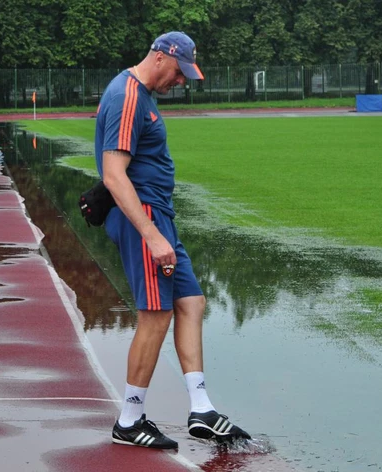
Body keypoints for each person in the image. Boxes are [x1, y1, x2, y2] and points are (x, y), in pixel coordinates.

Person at [95, 31, 250, 450]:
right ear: (161, 57)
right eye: (180, 73)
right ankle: (129, 420)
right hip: (144, 218)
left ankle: (201, 409)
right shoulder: (128, 96)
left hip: (158, 216)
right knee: (156, 315)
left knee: (191, 302)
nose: (181, 82)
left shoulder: (142, 94)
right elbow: (114, 174)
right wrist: (151, 235)